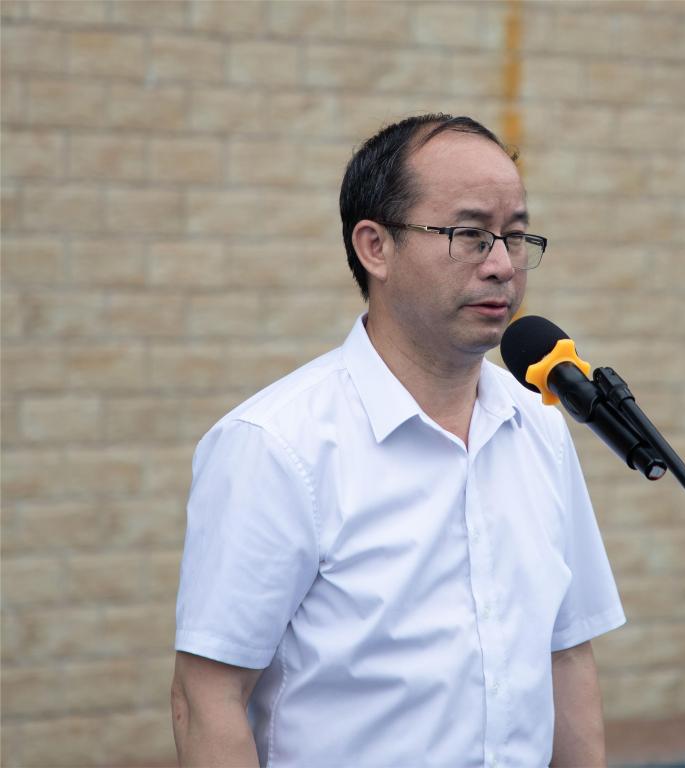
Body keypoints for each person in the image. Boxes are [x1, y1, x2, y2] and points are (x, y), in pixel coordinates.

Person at [171, 113, 625, 767]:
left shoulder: (541, 427)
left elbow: (567, 654)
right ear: (375, 247)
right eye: (471, 236)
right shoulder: (275, 446)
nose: (502, 266)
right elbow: (206, 698)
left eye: (515, 236)